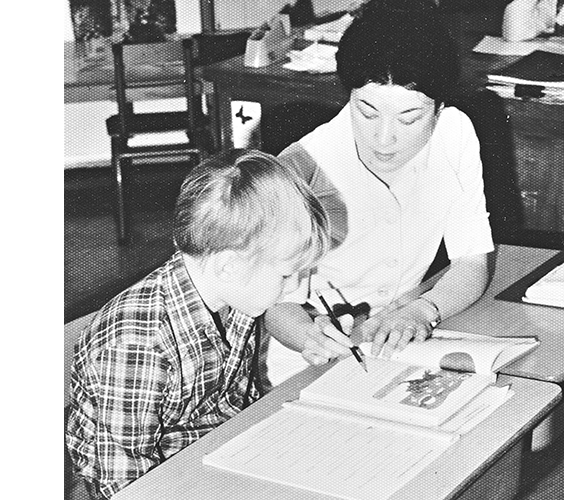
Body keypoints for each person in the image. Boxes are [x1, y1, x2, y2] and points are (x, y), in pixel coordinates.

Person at [65, 149, 349, 499]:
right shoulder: (136, 346)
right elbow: (124, 485)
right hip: (149, 484)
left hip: (214, 456)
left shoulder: (236, 296)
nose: (294, 288)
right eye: (287, 274)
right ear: (228, 267)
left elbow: (235, 406)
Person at [262, 0, 496, 387]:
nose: (384, 138)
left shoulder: (454, 135)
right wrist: (308, 336)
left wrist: (424, 310)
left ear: (439, 108)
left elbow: (471, 261)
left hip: (406, 339)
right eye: (367, 112)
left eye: (409, 118)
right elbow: (277, 304)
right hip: (316, 359)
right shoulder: (301, 168)